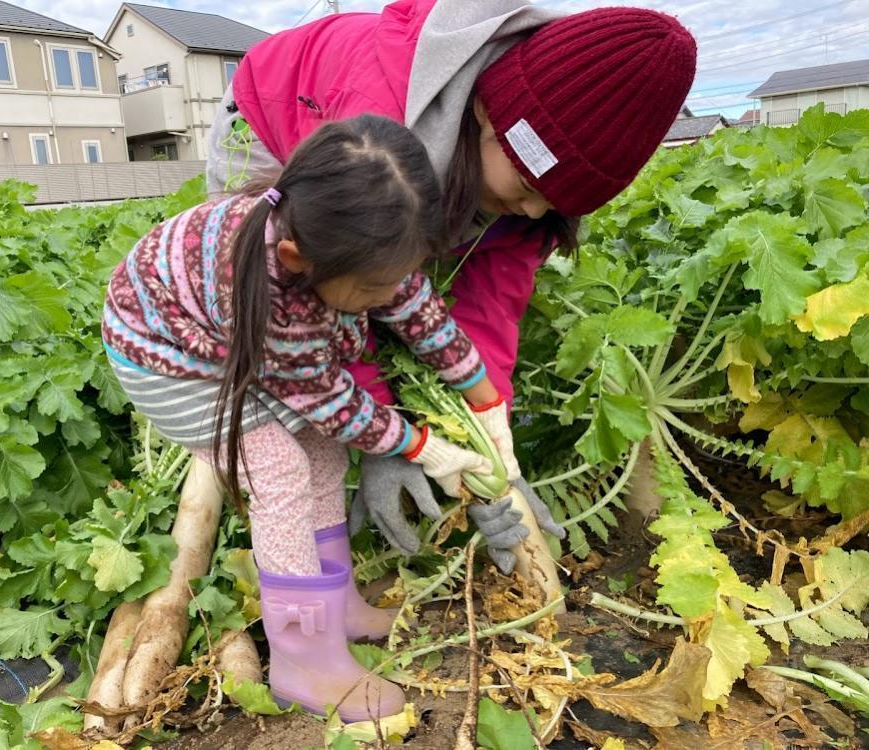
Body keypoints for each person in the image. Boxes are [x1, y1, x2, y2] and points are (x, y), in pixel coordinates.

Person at [207, 0, 697, 571]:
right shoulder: (381, 121)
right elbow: (337, 295)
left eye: (557, 202)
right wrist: (382, 439)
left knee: (403, 285)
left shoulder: (522, 188)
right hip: (275, 118)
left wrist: (494, 447)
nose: (537, 211)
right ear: (490, 115)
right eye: (531, 184)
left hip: (422, 167)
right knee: (284, 311)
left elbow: (489, 306)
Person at [102, 115, 524, 721]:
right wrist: (425, 448)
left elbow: (417, 311)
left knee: (324, 451)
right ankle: (303, 657)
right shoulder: (272, 294)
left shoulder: (363, 236)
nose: (387, 298)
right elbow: (331, 403)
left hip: (225, 340)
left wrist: (485, 396)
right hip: (163, 358)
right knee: (276, 470)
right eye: (373, 288)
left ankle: (338, 603)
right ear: (301, 260)